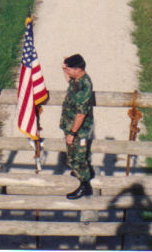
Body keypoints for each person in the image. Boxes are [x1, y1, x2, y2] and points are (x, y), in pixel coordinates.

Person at [60, 54, 94, 200]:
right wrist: (64, 68)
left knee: (77, 158)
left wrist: (72, 133)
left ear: (78, 69)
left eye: (70, 69)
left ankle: (85, 184)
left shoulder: (85, 86)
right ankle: (79, 172)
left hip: (78, 130)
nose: (67, 71)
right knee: (72, 154)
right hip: (71, 125)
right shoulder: (77, 79)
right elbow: (69, 81)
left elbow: (81, 114)